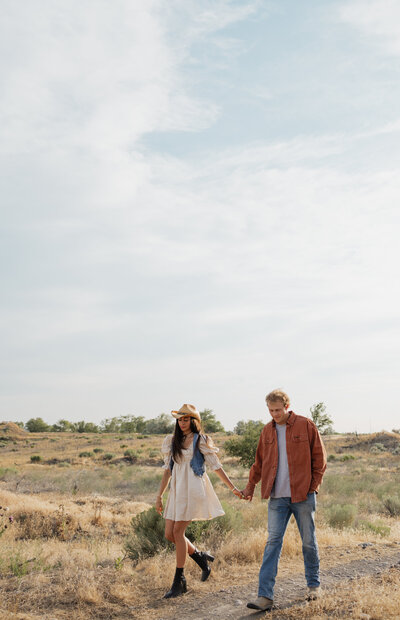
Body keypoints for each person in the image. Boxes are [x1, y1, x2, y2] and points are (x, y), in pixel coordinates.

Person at [242, 389, 327, 612]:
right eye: (271, 410)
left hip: (302, 494)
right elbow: (259, 463)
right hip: (277, 497)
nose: (275, 414)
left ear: (287, 406)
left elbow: (320, 458)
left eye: (278, 410)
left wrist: (313, 487)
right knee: (272, 543)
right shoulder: (267, 431)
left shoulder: (305, 425)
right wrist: (251, 486)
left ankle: (313, 586)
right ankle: (265, 597)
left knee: (308, 541)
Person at [156, 403, 242, 599]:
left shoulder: (200, 440)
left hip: (194, 489)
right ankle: (201, 557)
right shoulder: (172, 441)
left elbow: (216, 467)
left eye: (186, 419)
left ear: (194, 421)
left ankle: (179, 581)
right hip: (177, 491)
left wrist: (233, 488)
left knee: (178, 532)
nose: (182, 422)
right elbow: (167, 471)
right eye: (180, 419)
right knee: (169, 534)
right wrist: (159, 496)